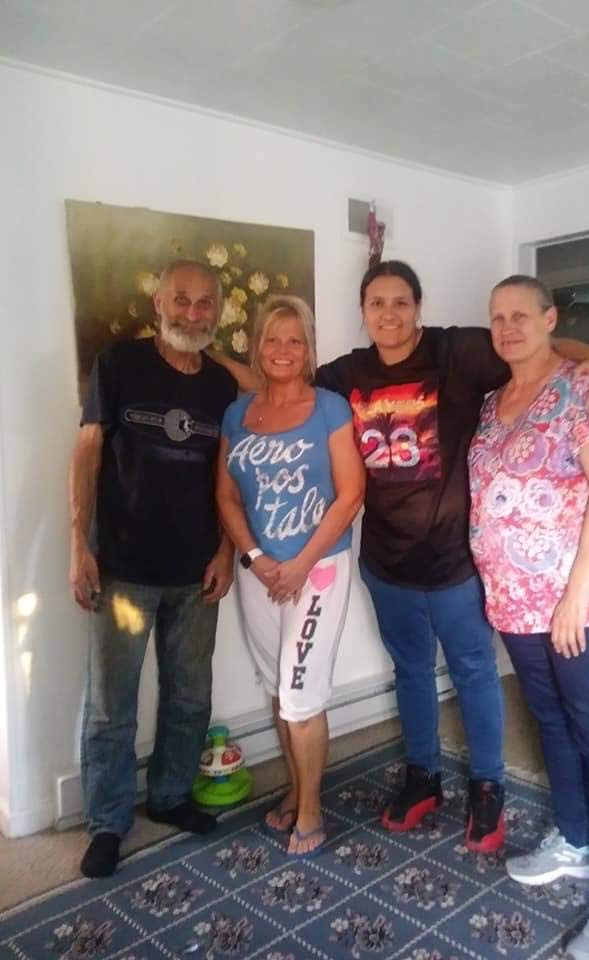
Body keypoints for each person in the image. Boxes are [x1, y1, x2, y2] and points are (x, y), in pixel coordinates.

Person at [314, 260, 589, 852]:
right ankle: (422, 776)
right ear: (363, 311)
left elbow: (541, 347)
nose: (389, 314)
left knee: (474, 671)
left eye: (401, 302)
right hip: (387, 564)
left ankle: (487, 785)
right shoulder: (346, 373)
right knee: (410, 671)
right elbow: (283, 386)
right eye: (377, 303)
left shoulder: (457, 351)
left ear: (418, 308)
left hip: (456, 562)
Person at [468, 275, 589, 960]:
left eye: (522, 314)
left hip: (586, 605)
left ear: (550, 320)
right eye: (498, 318)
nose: (508, 327)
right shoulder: (491, 403)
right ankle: (575, 840)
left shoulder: (585, 389)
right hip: (518, 604)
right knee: (551, 722)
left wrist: (574, 595)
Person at [69, 259, 254, 878]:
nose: (192, 313)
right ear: (158, 303)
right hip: (122, 569)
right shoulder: (119, 363)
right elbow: (87, 452)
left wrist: (226, 549)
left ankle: (171, 796)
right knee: (110, 704)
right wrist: (78, 543)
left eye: (205, 304)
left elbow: (230, 472)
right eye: (181, 300)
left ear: (218, 312)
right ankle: (107, 822)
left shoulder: (221, 387)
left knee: (190, 694)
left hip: (197, 572)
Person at [216, 295, 364, 856]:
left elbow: (351, 495)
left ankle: (311, 808)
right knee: (279, 692)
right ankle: (295, 790)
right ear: (257, 347)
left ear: (308, 350)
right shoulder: (237, 415)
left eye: (294, 340)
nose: (283, 350)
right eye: (272, 339)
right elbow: (227, 496)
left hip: (317, 571)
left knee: (301, 695)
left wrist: (300, 564)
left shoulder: (330, 408)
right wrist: (256, 558)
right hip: (258, 573)